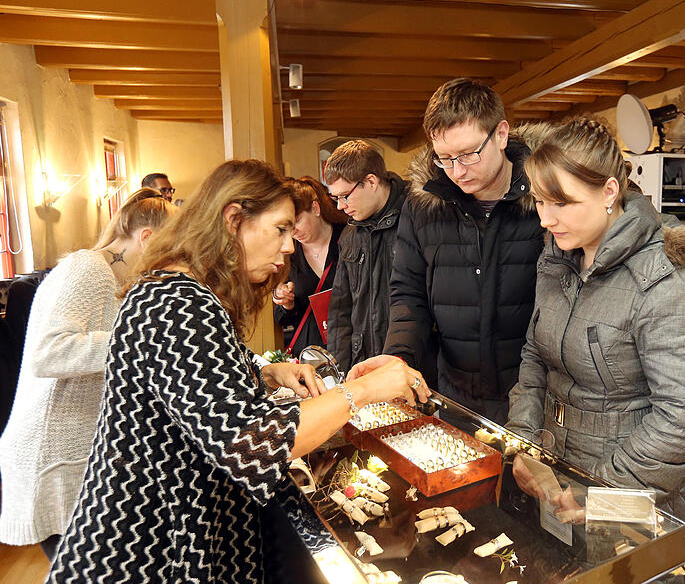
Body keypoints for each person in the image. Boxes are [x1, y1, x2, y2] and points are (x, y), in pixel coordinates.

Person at [45, 159, 430, 584]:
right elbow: (249, 446)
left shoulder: (182, 292)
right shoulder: (178, 303)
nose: (288, 247)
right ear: (233, 220)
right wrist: (367, 391)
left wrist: (268, 374)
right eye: (280, 228)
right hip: (153, 546)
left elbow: (195, 389)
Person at [505, 117, 685, 525]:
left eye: (562, 203)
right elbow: (536, 355)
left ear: (609, 191)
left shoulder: (672, 277)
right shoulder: (558, 257)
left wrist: (601, 492)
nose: (545, 220)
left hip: (630, 495)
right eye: (539, 201)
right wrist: (524, 441)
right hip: (559, 476)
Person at [0, 188, 176, 559]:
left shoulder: (114, 278)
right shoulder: (89, 268)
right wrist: (140, 340)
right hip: (51, 453)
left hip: (75, 456)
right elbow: (48, 353)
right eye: (170, 247)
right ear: (146, 237)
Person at [380, 77, 545, 424]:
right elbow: (408, 294)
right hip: (455, 395)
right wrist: (399, 359)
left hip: (535, 396)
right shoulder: (423, 205)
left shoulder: (547, 197)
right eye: (444, 159)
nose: (457, 171)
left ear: (501, 134)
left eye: (469, 154)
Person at [322, 140, 408, 372]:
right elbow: (340, 310)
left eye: (345, 196)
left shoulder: (417, 217)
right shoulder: (350, 234)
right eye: (335, 198)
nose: (340, 206)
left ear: (371, 182)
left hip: (410, 363)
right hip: (364, 365)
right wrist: (339, 372)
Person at [272, 177, 347, 353]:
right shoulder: (290, 254)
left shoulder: (348, 238)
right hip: (312, 354)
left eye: (297, 221)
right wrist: (286, 304)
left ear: (315, 208)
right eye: (287, 226)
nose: (293, 232)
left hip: (352, 344)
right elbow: (284, 318)